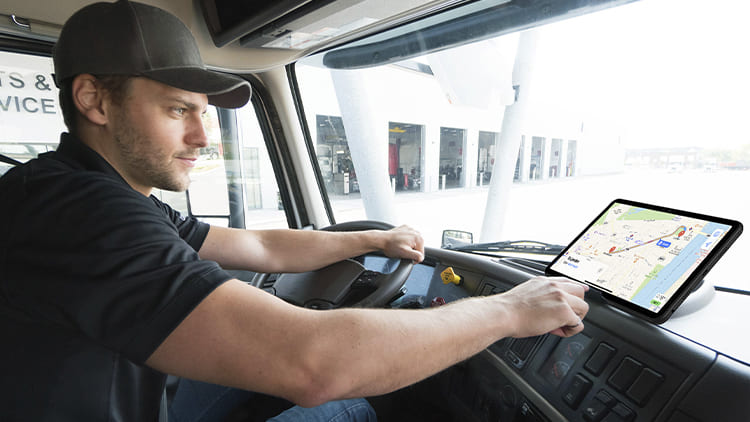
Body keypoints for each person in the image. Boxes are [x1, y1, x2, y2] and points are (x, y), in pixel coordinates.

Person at [0, 1, 589, 421]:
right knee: (346, 407)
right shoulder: (78, 211)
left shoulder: (101, 194)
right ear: (94, 100)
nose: (203, 138)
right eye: (178, 110)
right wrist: (508, 309)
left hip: (131, 395)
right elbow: (312, 364)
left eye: (204, 113)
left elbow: (258, 247)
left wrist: (370, 241)